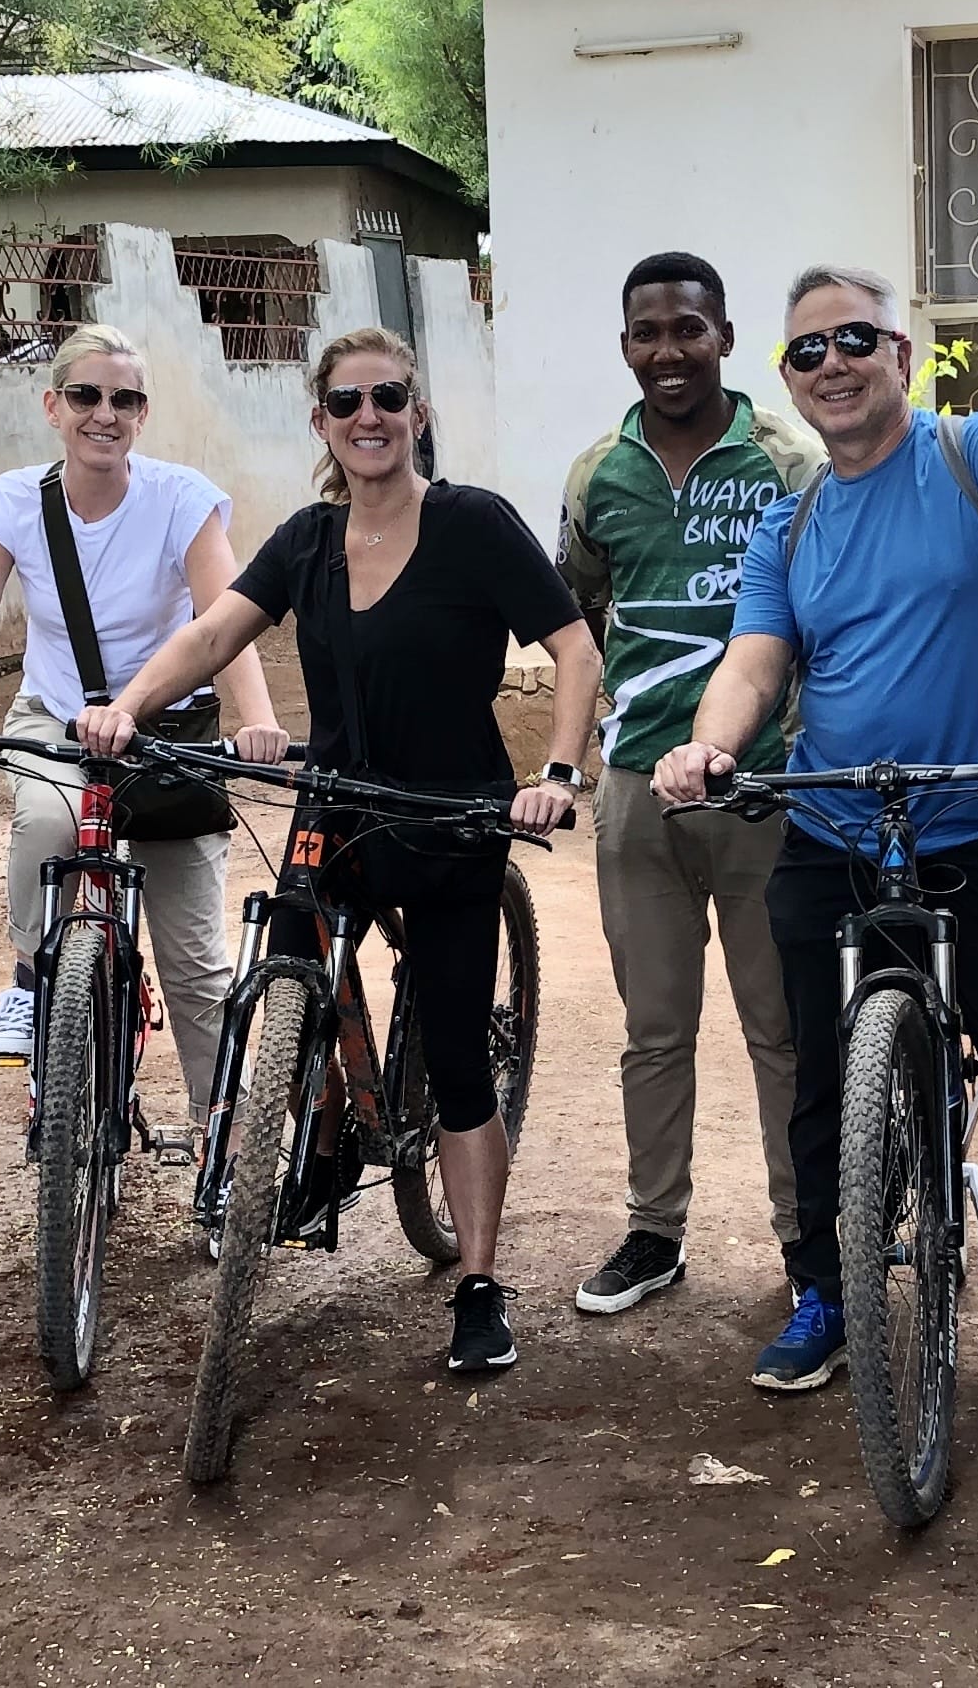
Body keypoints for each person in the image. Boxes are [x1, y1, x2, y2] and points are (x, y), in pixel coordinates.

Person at [653, 268, 978, 1402]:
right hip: (835, 826)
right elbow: (754, 664)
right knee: (822, 1077)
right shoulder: (792, 523)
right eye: (805, 351)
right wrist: (710, 749)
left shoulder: (976, 454)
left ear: (901, 353)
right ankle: (827, 1287)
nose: (830, 363)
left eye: (853, 340)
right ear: (786, 377)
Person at [83, 327, 601, 1380]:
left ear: (417, 412)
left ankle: (481, 1282)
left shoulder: (472, 526)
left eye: (390, 397)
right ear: (321, 421)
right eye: (347, 402)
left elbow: (576, 648)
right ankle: (307, 1123)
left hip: (453, 817)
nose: (369, 417)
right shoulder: (309, 542)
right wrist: (127, 705)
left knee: (458, 1054)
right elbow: (211, 635)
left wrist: (558, 773)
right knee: (285, 951)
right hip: (340, 806)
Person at [0, 326, 286, 1109]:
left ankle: (222, 1154)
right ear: (52, 407)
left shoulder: (182, 500)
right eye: (86, 396)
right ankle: (36, 984)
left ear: (142, 415)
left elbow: (224, 623)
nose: (105, 413)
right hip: (57, 715)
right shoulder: (13, 502)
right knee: (44, 819)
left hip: (169, 728)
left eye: (124, 399)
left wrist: (259, 718)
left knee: (196, 970)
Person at [554, 253, 824, 1317]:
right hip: (636, 791)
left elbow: (818, 611)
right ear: (626, 344)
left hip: (766, 789)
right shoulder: (597, 476)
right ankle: (653, 1232)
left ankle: (809, 1243)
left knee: (780, 1028)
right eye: (646, 333)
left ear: (724, 335)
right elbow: (577, 611)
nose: (667, 351)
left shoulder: (786, 462)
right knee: (654, 1028)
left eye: (688, 329)